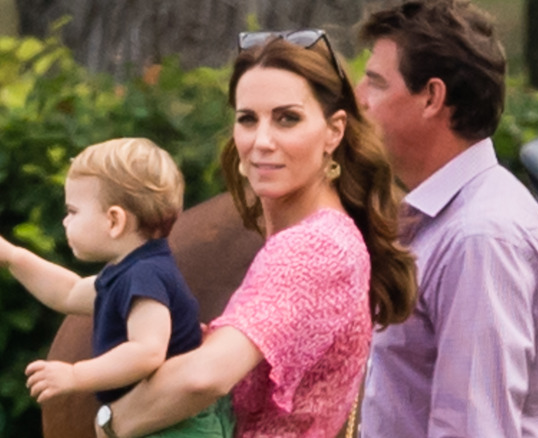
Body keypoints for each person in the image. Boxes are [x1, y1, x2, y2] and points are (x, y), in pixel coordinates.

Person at [95, 29, 418, 438]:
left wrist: (109, 423)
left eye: (288, 119)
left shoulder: (314, 247)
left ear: (334, 131)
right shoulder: (320, 237)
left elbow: (204, 377)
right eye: (248, 119)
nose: (261, 141)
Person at [355, 1, 538, 437]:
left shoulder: (480, 237)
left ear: (431, 97)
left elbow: (474, 428)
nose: (359, 98)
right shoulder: (447, 220)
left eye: (375, 82)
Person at [0, 137, 233, 437]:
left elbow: (147, 352)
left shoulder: (145, 276)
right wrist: (13, 257)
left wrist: (76, 375)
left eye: (73, 211)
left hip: (177, 427)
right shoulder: (129, 271)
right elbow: (68, 292)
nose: (65, 222)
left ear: (114, 220)